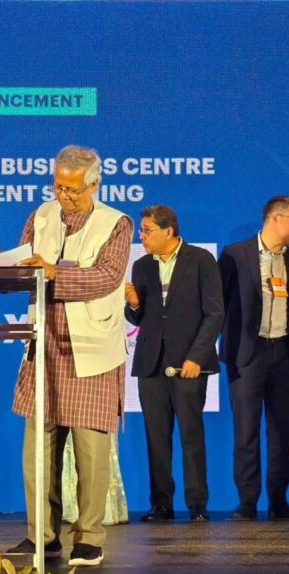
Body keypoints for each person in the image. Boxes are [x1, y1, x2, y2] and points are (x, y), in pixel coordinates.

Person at [7, 145, 132, 567]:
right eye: (59, 187)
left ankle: (89, 537)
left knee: (90, 454)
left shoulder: (116, 222)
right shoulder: (41, 215)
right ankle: (41, 535)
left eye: (74, 190)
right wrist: (14, 270)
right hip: (44, 344)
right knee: (37, 451)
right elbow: (24, 261)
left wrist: (57, 272)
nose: (66, 197)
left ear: (94, 185)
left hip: (91, 350)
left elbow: (106, 277)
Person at [125, 205, 223, 523]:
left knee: (191, 435)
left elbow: (214, 313)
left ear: (169, 231)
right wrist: (134, 305)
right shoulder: (141, 266)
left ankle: (197, 505)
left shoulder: (201, 260)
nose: (142, 236)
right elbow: (138, 318)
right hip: (151, 364)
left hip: (189, 364)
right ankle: (161, 504)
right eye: (141, 230)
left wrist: (196, 356)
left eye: (147, 230)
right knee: (156, 437)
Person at [217, 196, 289, 520]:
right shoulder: (234, 255)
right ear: (275, 219)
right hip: (246, 355)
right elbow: (219, 305)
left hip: (283, 352)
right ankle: (248, 501)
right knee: (246, 430)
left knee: (283, 430)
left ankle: (279, 499)